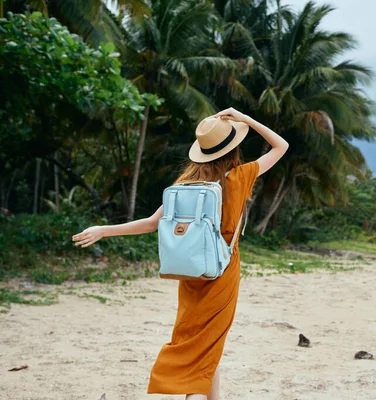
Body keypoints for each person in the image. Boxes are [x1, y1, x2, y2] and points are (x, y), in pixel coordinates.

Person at [72, 107, 289, 400]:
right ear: (233, 149)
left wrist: (104, 229)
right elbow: (281, 145)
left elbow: (151, 223)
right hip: (222, 273)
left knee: (205, 347)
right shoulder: (241, 176)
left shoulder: (185, 185)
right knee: (205, 349)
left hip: (190, 273)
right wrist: (246, 119)